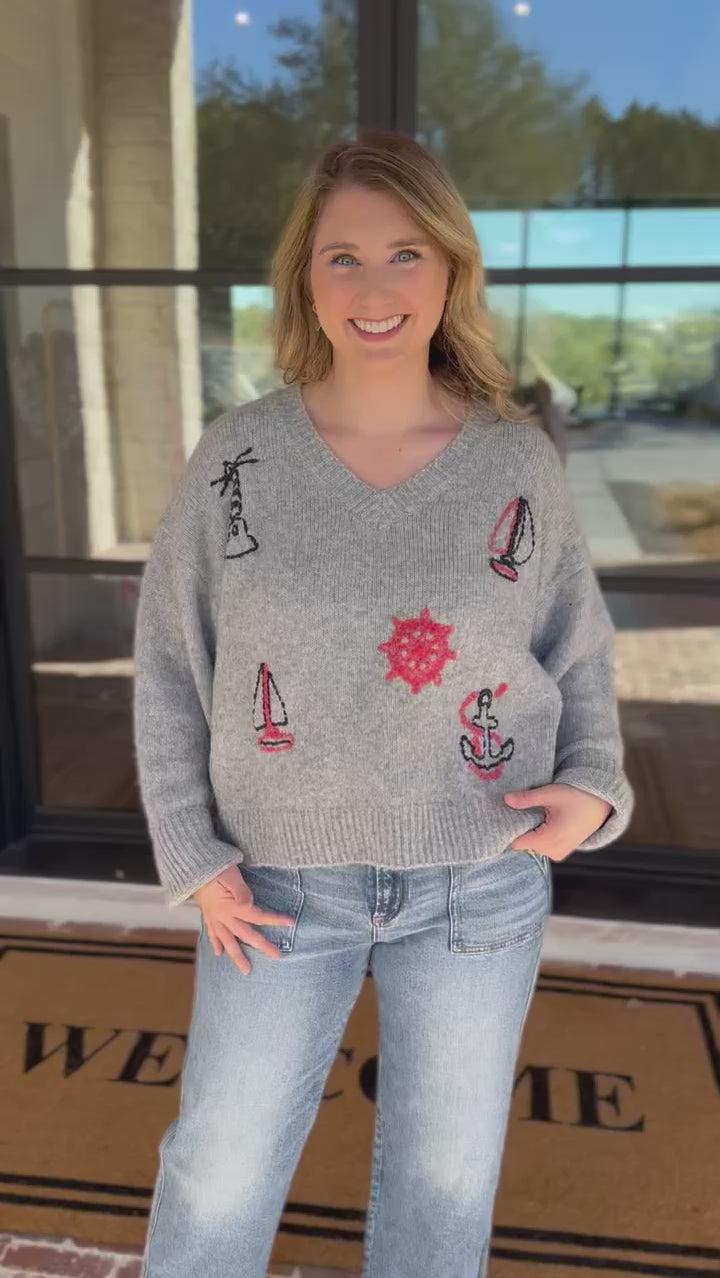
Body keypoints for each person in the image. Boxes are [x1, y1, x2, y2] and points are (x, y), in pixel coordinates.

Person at [132, 131, 633, 1278]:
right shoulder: (239, 460)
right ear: (304, 278)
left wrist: (594, 790)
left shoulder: (515, 462)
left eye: (406, 254)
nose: (374, 288)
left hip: (479, 882)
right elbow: (169, 662)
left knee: (443, 1190)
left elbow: (578, 649)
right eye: (342, 256)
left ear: (451, 271)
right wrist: (191, 851)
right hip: (273, 888)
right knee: (216, 1173)